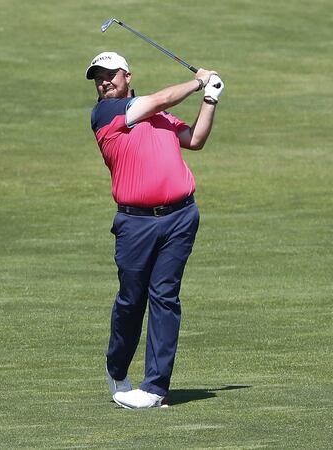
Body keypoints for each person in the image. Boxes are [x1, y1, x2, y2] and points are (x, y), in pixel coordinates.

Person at [85, 51, 224, 409]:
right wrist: (198, 81)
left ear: (127, 75)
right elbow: (161, 97)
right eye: (98, 78)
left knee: (165, 297)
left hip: (180, 218)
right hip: (136, 223)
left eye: (110, 74)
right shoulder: (106, 113)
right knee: (132, 300)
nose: (104, 81)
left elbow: (194, 140)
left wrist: (210, 98)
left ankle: (155, 388)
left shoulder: (157, 115)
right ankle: (117, 369)